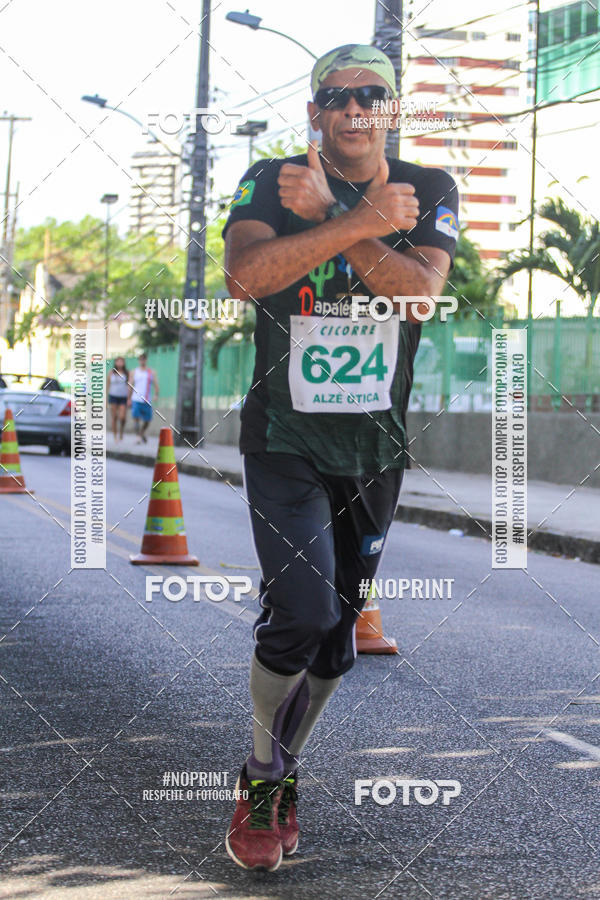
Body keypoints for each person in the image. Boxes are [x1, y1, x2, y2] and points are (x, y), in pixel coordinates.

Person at [222, 43, 460, 871]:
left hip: (373, 446)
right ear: (314, 112)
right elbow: (247, 279)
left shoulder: (428, 189)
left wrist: (345, 222)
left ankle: (285, 767)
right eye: (338, 94)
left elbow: (419, 293)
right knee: (304, 612)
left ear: (391, 110)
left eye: (373, 94)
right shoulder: (272, 179)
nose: (356, 106)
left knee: (337, 643)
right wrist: (356, 221)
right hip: (283, 435)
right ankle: (261, 775)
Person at [130, 353, 159, 443]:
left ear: (146, 360)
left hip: (146, 399)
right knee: (136, 418)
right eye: (140, 359)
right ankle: (138, 437)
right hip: (136, 399)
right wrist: (128, 398)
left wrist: (156, 394)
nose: (142, 361)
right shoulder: (134, 372)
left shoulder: (151, 372)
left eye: (144, 359)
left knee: (147, 420)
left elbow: (156, 385)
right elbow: (130, 385)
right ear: (139, 361)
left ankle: (142, 433)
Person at [107, 357, 131, 442]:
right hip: (113, 396)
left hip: (123, 397)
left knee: (122, 417)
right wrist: (105, 400)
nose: (120, 363)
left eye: (121, 361)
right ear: (115, 363)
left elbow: (129, 386)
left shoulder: (127, 373)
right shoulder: (111, 373)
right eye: (118, 361)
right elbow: (107, 386)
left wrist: (129, 398)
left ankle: (121, 431)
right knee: (114, 417)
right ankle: (115, 436)